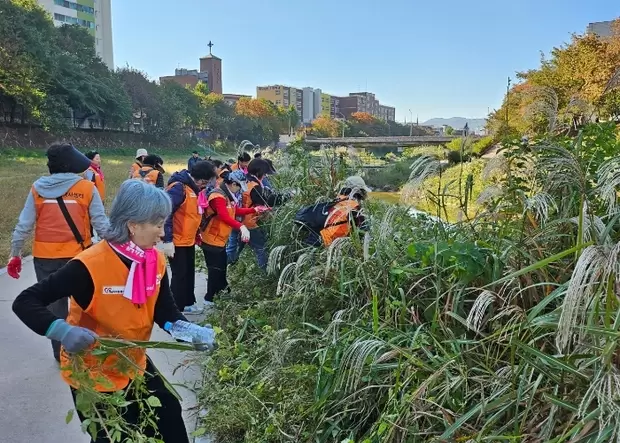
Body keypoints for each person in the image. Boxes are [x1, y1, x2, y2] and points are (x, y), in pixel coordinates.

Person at [12, 180, 213, 443]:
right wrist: (61, 330)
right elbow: (26, 301)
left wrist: (187, 330)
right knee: (116, 436)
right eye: (157, 223)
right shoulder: (89, 265)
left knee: (169, 417)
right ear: (133, 224)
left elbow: (164, 311)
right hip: (94, 370)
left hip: (132, 361)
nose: (162, 232)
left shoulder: (154, 260)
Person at [7, 142, 109, 362]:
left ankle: (62, 354)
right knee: (86, 305)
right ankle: (88, 348)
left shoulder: (37, 188)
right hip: (80, 259)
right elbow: (102, 225)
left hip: (45, 258)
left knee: (54, 310)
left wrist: (15, 253)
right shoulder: (86, 188)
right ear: (72, 165)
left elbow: (23, 225)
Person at [198, 170, 268, 307]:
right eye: (238, 187)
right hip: (211, 239)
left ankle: (222, 292)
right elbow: (224, 216)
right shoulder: (218, 196)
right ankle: (209, 298)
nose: (239, 191)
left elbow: (235, 211)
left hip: (219, 239)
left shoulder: (228, 195)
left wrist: (254, 210)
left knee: (221, 266)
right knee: (215, 269)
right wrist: (241, 227)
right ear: (233, 184)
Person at [163, 160, 217, 314]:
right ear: (199, 179)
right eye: (205, 183)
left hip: (188, 240)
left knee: (188, 272)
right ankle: (174, 308)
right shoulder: (179, 188)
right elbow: (166, 213)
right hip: (177, 241)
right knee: (179, 275)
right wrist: (167, 240)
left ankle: (187, 302)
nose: (205, 186)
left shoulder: (194, 189)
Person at [235, 158, 291, 270]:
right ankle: (265, 272)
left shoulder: (247, 181)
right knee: (261, 248)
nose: (265, 176)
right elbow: (267, 201)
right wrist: (287, 196)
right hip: (250, 222)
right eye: (264, 173)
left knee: (238, 248)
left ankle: (229, 264)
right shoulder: (255, 187)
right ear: (258, 172)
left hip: (241, 220)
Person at [307, 176, 369, 247]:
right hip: (324, 244)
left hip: (314, 238)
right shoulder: (354, 207)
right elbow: (363, 232)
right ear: (359, 191)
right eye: (363, 190)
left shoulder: (338, 200)